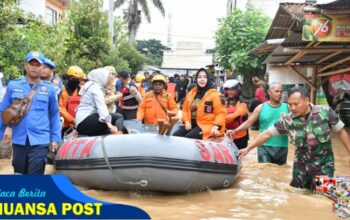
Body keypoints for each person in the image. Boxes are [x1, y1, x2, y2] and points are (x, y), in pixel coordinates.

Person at [240, 87, 350, 189]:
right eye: (290, 104)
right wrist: (247, 149)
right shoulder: (288, 121)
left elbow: (341, 132)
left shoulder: (326, 113)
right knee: (298, 197)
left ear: (306, 101)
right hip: (300, 170)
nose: (292, 108)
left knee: (324, 198)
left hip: (323, 167)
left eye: (296, 104)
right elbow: (266, 134)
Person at [0, 51, 61, 174]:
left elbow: (54, 114)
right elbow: (3, 111)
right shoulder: (13, 85)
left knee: (35, 177)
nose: (34, 67)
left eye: (38, 65)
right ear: (25, 65)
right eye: (31, 63)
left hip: (40, 140)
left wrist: (55, 139)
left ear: (42, 67)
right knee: (20, 174)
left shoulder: (49, 89)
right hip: (18, 139)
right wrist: (3, 132)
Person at [231, 82, 289, 165]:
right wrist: (235, 131)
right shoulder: (261, 107)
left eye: (281, 91)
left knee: (279, 174)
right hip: (264, 146)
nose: (279, 94)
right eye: (276, 91)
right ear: (269, 92)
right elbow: (248, 123)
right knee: (265, 172)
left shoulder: (287, 107)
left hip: (282, 146)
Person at [173, 68, 226, 140]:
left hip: (207, 125)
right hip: (191, 124)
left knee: (189, 137)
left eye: (205, 77)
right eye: (199, 77)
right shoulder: (191, 93)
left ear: (208, 79)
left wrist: (216, 126)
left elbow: (221, 113)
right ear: (196, 79)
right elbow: (185, 110)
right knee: (175, 135)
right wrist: (186, 121)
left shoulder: (215, 94)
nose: (202, 79)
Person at [76, 68, 124, 136]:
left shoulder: (91, 85)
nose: (108, 81)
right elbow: (101, 106)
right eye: (107, 78)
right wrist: (109, 124)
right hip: (85, 120)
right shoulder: (96, 88)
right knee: (119, 117)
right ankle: (119, 137)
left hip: (81, 122)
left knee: (114, 128)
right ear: (101, 78)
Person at [59, 66, 85, 137]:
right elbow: (60, 108)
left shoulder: (81, 91)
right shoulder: (61, 90)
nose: (76, 81)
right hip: (63, 125)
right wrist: (72, 120)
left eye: (78, 79)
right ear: (68, 78)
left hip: (78, 124)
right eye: (73, 79)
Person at [223, 79, 249, 150]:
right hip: (226, 135)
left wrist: (220, 119)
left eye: (232, 90)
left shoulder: (242, 103)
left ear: (237, 90)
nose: (230, 92)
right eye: (228, 90)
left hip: (240, 137)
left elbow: (235, 115)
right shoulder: (224, 102)